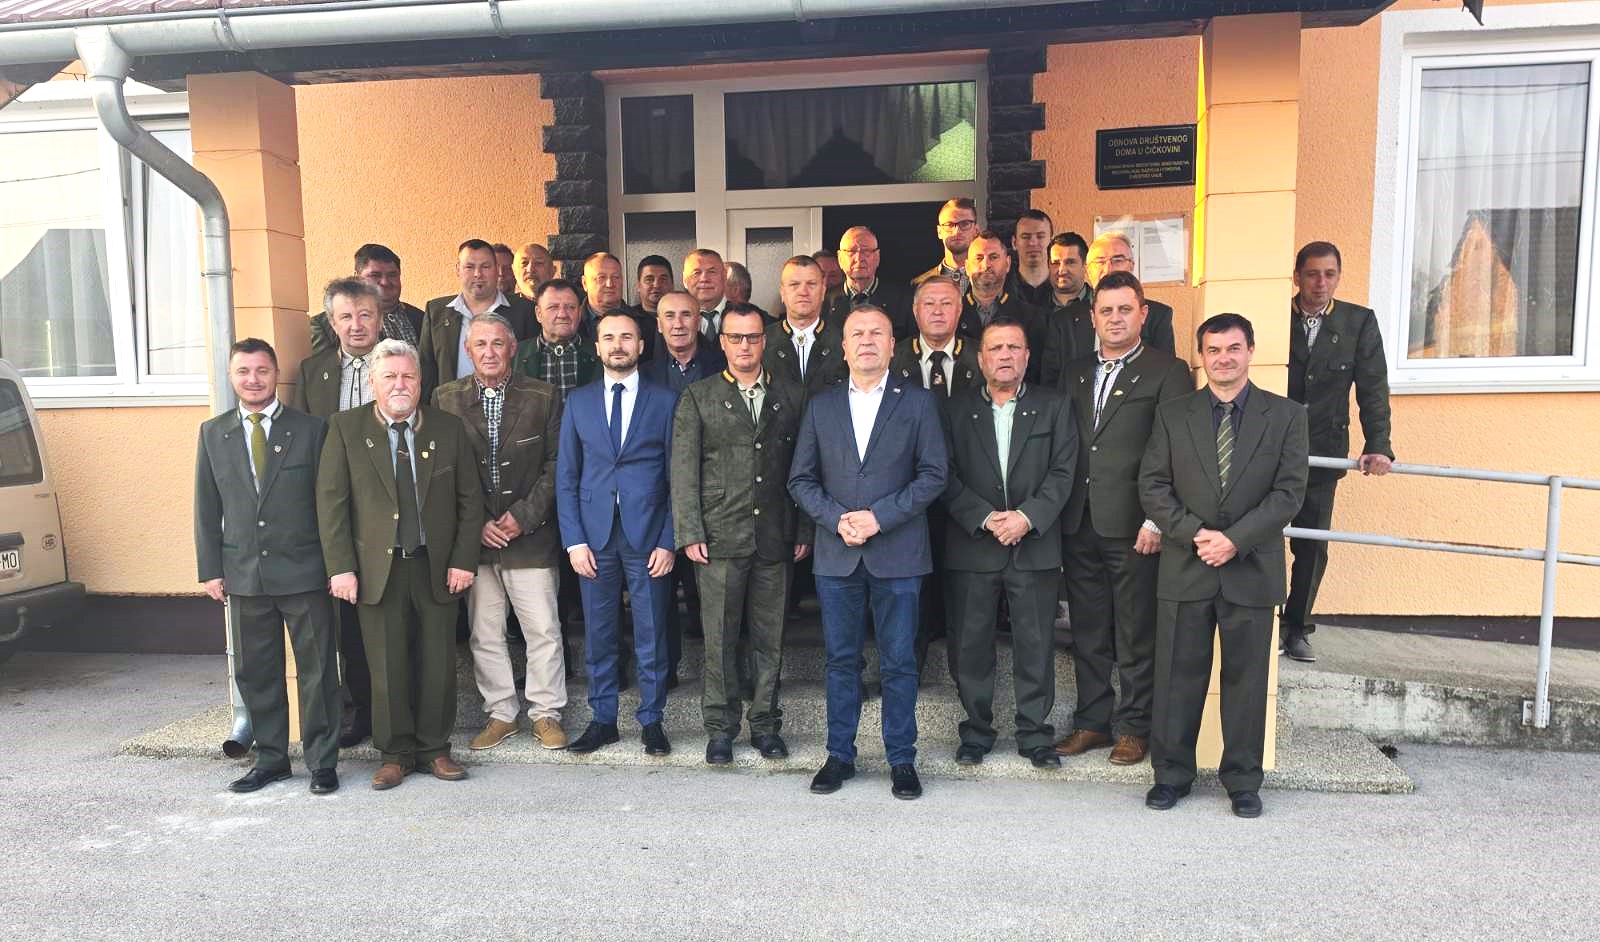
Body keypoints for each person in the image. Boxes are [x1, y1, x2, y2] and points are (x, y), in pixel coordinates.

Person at [1138, 313, 1308, 818]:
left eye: (1233, 348)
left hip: (1251, 569)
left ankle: (1243, 781)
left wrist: (1234, 540)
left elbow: (1289, 493)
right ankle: (1171, 775)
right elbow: (1153, 486)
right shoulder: (1173, 414)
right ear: (1201, 357)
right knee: (1177, 678)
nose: (1224, 358)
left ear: (1250, 351)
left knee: (1247, 682)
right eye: (1213, 350)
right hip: (1186, 566)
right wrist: (1196, 535)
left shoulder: (1286, 416)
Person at [788, 305, 948, 800]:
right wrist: (837, 518)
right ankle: (839, 755)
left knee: (899, 661)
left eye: (877, 332)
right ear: (843, 346)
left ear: (892, 344)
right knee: (840, 661)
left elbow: (934, 475)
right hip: (838, 554)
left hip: (898, 553)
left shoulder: (917, 403)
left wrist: (880, 517)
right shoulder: (822, 406)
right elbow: (800, 479)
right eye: (857, 333)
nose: (866, 341)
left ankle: (902, 759)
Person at [316, 339, 484, 790]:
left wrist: (463, 560)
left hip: (436, 567)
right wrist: (340, 567)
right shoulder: (346, 428)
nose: (399, 385)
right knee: (386, 667)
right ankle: (394, 754)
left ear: (420, 381)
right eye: (389, 376)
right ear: (373, 382)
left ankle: (434, 749)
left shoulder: (447, 429)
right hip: (376, 571)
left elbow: (470, 502)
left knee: (437, 664)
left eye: (408, 376)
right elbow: (331, 504)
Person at [1054, 271, 1193, 766]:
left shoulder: (1167, 371)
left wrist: (1157, 521)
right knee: (1088, 629)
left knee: (1135, 630)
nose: (1115, 318)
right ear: (1093, 317)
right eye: (1106, 310)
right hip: (1078, 521)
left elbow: (1176, 450)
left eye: (1124, 309)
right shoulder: (1073, 371)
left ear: (1143, 314)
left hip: (1136, 527)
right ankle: (1092, 722)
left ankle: (1136, 726)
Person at [195, 338, 341, 795]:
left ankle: (322, 762)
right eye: (243, 371)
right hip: (244, 574)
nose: (253, 379)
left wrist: (336, 565)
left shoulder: (311, 430)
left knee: (318, 671)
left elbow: (329, 503)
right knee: (257, 673)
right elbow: (206, 505)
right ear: (232, 377)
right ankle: (272, 759)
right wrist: (210, 568)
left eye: (262, 370)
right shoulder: (212, 433)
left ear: (276, 374)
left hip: (305, 572)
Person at [672, 303, 811, 764]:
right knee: (719, 638)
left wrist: (804, 527)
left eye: (752, 337)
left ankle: (766, 725)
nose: (745, 345)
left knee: (770, 639)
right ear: (723, 342)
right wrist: (690, 530)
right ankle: (720, 728)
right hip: (719, 537)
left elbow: (805, 468)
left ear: (764, 341)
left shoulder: (791, 395)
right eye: (736, 337)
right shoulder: (699, 396)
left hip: (775, 534)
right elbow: (683, 471)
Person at [940, 318, 1077, 769]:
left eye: (1013, 347)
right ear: (981, 359)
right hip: (972, 545)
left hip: (1033, 544)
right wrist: (983, 517)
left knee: (1035, 644)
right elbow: (943, 473)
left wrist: (1026, 517)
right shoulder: (954, 409)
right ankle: (976, 732)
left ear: (1026, 356)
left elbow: (1064, 472)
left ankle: (1035, 735)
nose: (1004, 355)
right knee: (971, 645)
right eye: (995, 348)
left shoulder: (1054, 406)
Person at [433, 314, 569, 752]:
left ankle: (546, 713)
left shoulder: (543, 396)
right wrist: (475, 525)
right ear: (468, 350)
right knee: (484, 632)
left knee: (542, 629)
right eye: (480, 344)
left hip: (530, 536)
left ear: (512, 348)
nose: (489, 352)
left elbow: (558, 465)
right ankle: (501, 714)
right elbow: (442, 471)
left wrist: (523, 516)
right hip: (476, 541)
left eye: (497, 343)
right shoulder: (445, 398)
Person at [557, 312, 680, 757]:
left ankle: (652, 720)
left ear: (641, 346)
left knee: (652, 631)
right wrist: (574, 541)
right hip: (594, 538)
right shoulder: (578, 402)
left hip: (647, 536)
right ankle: (603, 719)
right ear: (597, 347)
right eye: (609, 337)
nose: (618, 344)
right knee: (599, 633)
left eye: (627, 337)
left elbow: (678, 477)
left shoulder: (666, 401)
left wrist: (668, 539)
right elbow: (567, 477)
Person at [1282, 240, 1394, 663]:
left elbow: (1373, 388)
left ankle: (1297, 627)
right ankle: (1263, 623)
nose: (1321, 283)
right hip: (1272, 450)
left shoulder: (1358, 322)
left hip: (1323, 449)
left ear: (1338, 276)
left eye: (1329, 274)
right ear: (1297, 277)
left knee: (1312, 546)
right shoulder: (1276, 316)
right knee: (1260, 538)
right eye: (1312, 274)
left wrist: (1378, 445)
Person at [290, 277, 383, 748]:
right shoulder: (313, 372)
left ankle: (392, 712)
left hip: (388, 506)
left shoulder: (401, 364)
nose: (356, 325)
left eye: (365, 314)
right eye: (346, 316)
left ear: (380, 318)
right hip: (337, 505)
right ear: (331, 322)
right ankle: (359, 711)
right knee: (347, 622)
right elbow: (304, 442)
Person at [887, 275, 978, 674]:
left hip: (968, 489)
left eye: (946, 303)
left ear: (960, 310)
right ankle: (910, 666)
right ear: (915, 311)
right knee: (912, 588)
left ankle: (963, 673)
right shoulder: (894, 359)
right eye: (929, 304)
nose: (938, 311)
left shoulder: (981, 355)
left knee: (962, 585)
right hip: (908, 490)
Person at [642, 288, 729, 684]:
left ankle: (720, 675)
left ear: (700, 321)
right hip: (658, 494)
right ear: (659, 325)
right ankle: (667, 670)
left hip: (712, 494)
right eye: (669, 316)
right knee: (660, 589)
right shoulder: (644, 373)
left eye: (686, 315)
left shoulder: (721, 365)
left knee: (710, 592)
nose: (678, 323)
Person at [421, 239, 534, 396]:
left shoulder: (524, 311)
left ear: (496, 269)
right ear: (458, 270)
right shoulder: (436, 311)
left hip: (511, 407)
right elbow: (426, 369)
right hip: (451, 408)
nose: (478, 274)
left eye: (485, 267)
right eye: (469, 267)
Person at [309, 244, 425, 351]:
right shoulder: (324, 327)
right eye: (375, 275)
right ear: (357, 278)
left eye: (392, 275)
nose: (385, 282)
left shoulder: (423, 319)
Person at [762, 255, 848, 400]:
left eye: (811, 284)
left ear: (823, 292)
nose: (803, 291)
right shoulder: (762, 341)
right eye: (794, 284)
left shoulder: (843, 341)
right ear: (782, 293)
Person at [1084, 230, 1175, 354]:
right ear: (1088, 271)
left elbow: (1165, 364)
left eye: (1117, 260)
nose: (1108, 269)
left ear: (1131, 266)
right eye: (1100, 262)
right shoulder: (1065, 320)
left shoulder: (1158, 315)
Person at [960, 229, 1046, 353]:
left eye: (993, 257)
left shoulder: (1031, 318)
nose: (986, 265)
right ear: (967, 267)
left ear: (1007, 263)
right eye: (979, 258)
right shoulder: (952, 314)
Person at [515, 278, 601, 398]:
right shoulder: (515, 355)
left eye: (570, 307)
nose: (562, 314)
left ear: (579, 313)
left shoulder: (599, 354)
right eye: (553, 307)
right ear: (538, 314)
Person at [827, 225, 913, 340]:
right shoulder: (824, 302)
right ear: (840, 258)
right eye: (852, 251)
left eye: (866, 251)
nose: (859, 258)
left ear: (877, 257)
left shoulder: (903, 300)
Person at [913, 197, 979, 294]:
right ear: (939, 232)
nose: (957, 231)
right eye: (949, 225)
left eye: (965, 224)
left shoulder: (991, 281)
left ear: (976, 230)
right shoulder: (919, 285)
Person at [628, 254, 675, 359]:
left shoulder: (683, 317)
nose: (656, 285)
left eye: (663, 279)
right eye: (649, 279)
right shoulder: (627, 320)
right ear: (638, 286)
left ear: (672, 284)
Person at [1010, 209, 1055, 307]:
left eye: (1040, 236)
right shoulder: (1000, 289)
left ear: (1051, 243)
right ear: (1014, 243)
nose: (1033, 243)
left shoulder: (1066, 289)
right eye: (1025, 237)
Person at [684, 248, 730, 337]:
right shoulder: (672, 321)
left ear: (725, 276)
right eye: (696, 273)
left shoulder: (747, 316)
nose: (704, 279)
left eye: (712, 272)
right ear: (684, 279)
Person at [494, 242, 539, 329]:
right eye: (495, 268)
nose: (501, 273)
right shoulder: (472, 311)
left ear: (515, 272)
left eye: (508, 268)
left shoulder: (530, 311)